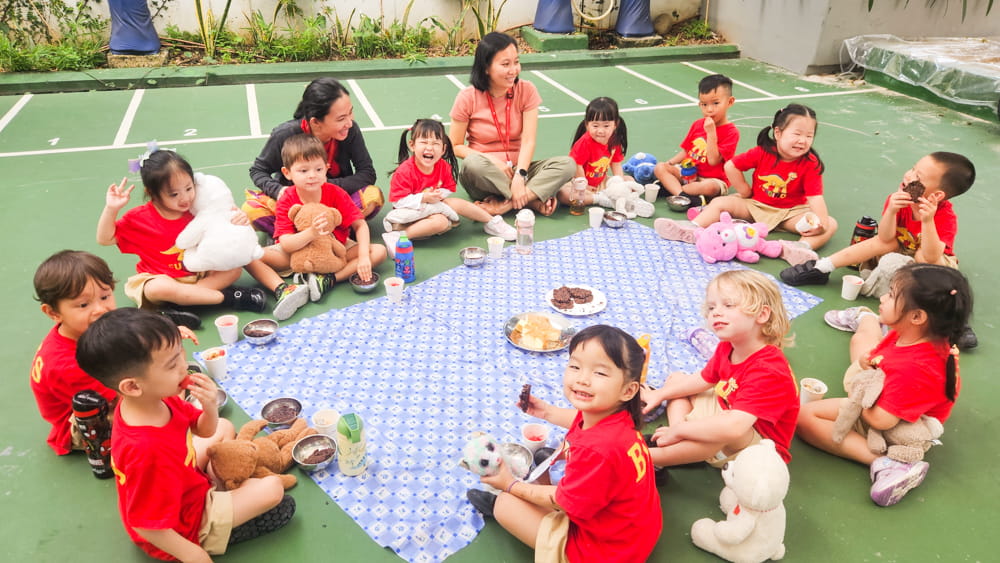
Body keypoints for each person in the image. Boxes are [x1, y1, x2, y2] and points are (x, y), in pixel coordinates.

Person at [77, 308, 294, 560]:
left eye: (180, 354)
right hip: (183, 524)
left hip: (184, 482)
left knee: (223, 426)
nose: (184, 368)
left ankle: (222, 486)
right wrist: (194, 555)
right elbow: (145, 525)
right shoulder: (146, 451)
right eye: (172, 365)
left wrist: (209, 407)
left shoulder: (155, 399)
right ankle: (216, 531)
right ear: (133, 386)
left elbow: (204, 429)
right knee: (273, 490)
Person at [466, 325, 661, 563]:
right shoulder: (617, 417)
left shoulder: (597, 451)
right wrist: (546, 412)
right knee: (545, 466)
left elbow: (562, 500)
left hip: (606, 552)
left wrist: (510, 485)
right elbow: (578, 419)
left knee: (506, 504)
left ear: (629, 390)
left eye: (600, 373)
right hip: (637, 531)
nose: (582, 379)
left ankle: (501, 504)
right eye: (575, 366)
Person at [796, 264, 972, 506]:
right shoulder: (914, 335)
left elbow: (880, 421)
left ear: (917, 317)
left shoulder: (915, 369)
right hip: (883, 382)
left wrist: (858, 390)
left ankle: (888, 463)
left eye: (891, 294)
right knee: (861, 343)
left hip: (897, 427)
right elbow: (880, 355)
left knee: (804, 418)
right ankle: (866, 318)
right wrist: (866, 363)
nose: (882, 297)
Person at [97, 149, 309, 322]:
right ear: (152, 193)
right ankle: (227, 298)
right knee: (156, 288)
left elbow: (231, 225)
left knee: (238, 260)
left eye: (189, 188)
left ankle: (282, 288)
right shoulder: (140, 218)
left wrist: (241, 219)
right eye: (174, 194)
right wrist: (111, 209)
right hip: (164, 279)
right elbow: (105, 239)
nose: (185, 198)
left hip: (203, 276)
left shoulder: (199, 207)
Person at [641, 270, 799, 468]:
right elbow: (704, 379)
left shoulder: (768, 369)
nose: (715, 312)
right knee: (677, 379)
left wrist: (679, 430)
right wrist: (660, 394)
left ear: (762, 314)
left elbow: (734, 428)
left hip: (758, 447)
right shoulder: (728, 346)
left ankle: (646, 458)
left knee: (722, 430)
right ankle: (683, 448)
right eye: (711, 307)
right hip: (729, 410)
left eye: (729, 305)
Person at [655, 104, 837, 266]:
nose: (803, 140)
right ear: (778, 133)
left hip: (789, 214)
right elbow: (731, 166)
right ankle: (692, 228)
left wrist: (820, 223)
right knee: (720, 203)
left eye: (809, 136)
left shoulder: (810, 163)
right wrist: (744, 191)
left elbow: (815, 197)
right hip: (755, 206)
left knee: (830, 223)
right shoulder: (762, 152)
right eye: (797, 134)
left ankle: (798, 248)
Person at [779, 152, 975, 286]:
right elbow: (885, 237)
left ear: (938, 195)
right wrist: (891, 211)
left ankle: (935, 305)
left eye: (918, 176)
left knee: (923, 259)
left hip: (932, 266)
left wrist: (927, 221)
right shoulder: (898, 199)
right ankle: (822, 268)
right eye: (912, 168)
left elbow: (931, 257)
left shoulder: (944, 216)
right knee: (885, 242)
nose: (909, 176)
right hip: (901, 251)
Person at [449, 32, 576, 217]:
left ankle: (507, 204)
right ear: (486, 67)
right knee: (472, 164)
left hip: (519, 170)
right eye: (505, 64)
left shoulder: (526, 90)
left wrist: (520, 175)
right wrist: (491, 160)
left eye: (516, 62)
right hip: (484, 175)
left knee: (568, 164)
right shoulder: (467, 97)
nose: (513, 70)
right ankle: (531, 198)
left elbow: (528, 141)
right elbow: (455, 146)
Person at [248, 77, 384, 231]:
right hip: (294, 206)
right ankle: (324, 231)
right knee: (251, 209)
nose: (349, 123)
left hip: (335, 202)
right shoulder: (285, 134)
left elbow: (367, 173)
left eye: (350, 113)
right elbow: (258, 170)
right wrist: (279, 191)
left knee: (372, 196)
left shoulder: (350, 131)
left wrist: (326, 187)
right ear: (315, 122)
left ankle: (308, 232)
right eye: (341, 118)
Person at [261, 134, 386, 300]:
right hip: (296, 254)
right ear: (287, 173)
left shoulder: (336, 193)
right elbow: (287, 244)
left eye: (318, 169)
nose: (312, 175)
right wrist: (312, 233)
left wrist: (363, 257)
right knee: (251, 256)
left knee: (379, 251)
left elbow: (360, 225)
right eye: (304, 170)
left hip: (332, 252)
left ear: (327, 168)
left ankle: (328, 280)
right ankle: (284, 289)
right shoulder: (287, 199)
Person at [382, 118, 517, 249]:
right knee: (441, 222)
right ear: (412, 145)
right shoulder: (404, 171)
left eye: (435, 143)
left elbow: (448, 188)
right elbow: (398, 202)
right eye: (424, 142)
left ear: (443, 149)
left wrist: (437, 195)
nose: (429, 148)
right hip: (408, 216)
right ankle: (399, 236)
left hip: (430, 209)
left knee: (456, 203)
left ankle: (492, 222)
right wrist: (423, 198)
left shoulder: (443, 166)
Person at [652, 73, 739, 207]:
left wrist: (711, 134)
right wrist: (669, 164)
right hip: (689, 174)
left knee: (709, 187)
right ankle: (684, 195)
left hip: (712, 180)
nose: (709, 109)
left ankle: (673, 188)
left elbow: (713, 160)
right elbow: (686, 151)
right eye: (704, 104)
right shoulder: (697, 124)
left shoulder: (731, 132)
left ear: (730, 102)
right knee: (659, 167)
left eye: (716, 103)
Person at [554, 96, 649, 214]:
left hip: (601, 182)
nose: (600, 131)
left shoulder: (614, 140)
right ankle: (601, 199)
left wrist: (619, 185)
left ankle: (624, 199)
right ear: (587, 124)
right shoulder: (584, 142)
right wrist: (585, 186)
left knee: (629, 180)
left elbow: (616, 164)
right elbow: (577, 166)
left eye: (606, 126)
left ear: (615, 124)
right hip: (580, 184)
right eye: (595, 126)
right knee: (563, 194)